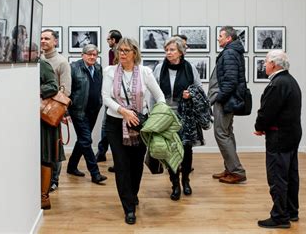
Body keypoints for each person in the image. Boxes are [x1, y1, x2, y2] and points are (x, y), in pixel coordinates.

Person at [102, 37, 165, 225]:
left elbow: (160, 96)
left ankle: (132, 194)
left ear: (134, 53)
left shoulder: (145, 72)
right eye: (120, 50)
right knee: (121, 166)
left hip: (140, 124)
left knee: (136, 165)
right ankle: (128, 207)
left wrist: (158, 116)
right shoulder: (110, 72)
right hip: (115, 123)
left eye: (126, 50)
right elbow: (106, 97)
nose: (121, 53)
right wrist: (124, 111)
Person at [153, 36, 209, 201]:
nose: (168, 53)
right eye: (166, 50)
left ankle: (186, 180)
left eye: (172, 50)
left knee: (186, 149)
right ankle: (175, 183)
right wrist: (153, 112)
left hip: (186, 114)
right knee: (170, 150)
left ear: (180, 52)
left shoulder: (190, 68)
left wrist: (190, 93)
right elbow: (153, 92)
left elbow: (198, 88)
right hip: (165, 114)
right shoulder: (158, 68)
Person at [253, 50, 302, 229]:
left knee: (277, 176)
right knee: (290, 174)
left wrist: (259, 127)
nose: (264, 65)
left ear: (274, 64)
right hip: (292, 134)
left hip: (280, 137)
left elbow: (267, 111)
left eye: (265, 62)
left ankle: (280, 217)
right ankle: (291, 211)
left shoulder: (277, 84)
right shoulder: (290, 81)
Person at [208, 26, 247, 184]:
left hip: (225, 101)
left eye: (220, 36)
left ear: (228, 38)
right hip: (228, 100)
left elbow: (230, 81)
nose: (218, 38)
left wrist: (219, 97)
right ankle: (230, 168)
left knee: (221, 134)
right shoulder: (232, 51)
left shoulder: (229, 53)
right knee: (227, 133)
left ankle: (237, 171)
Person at [66, 44, 107, 185]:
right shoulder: (73, 68)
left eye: (95, 54)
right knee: (86, 140)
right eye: (89, 54)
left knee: (83, 140)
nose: (92, 57)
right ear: (82, 55)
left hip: (94, 110)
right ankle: (95, 173)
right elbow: (66, 91)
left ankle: (71, 167)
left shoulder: (98, 68)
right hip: (78, 111)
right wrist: (66, 112)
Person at [40, 29, 72, 192]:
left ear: (55, 42)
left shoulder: (61, 62)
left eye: (47, 38)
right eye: (41, 38)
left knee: (55, 145)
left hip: (53, 109)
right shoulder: (37, 60)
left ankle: (54, 179)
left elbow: (65, 90)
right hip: (39, 110)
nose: (43, 41)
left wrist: (62, 112)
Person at [96, 29, 122, 168]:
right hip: (112, 90)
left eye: (108, 39)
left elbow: (115, 70)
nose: (107, 41)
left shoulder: (116, 51)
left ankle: (103, 153)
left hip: (115, 92)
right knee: (107, 124)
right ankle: (102, 152)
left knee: (108, 125)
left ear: (114, 40)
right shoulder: (113, 51)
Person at [39, 60, 63, 210]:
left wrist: (37, 89)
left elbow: (54, 86)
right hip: (31, 118)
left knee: (45, 157)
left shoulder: (42, 64)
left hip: (44, 119)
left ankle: (44, 197)